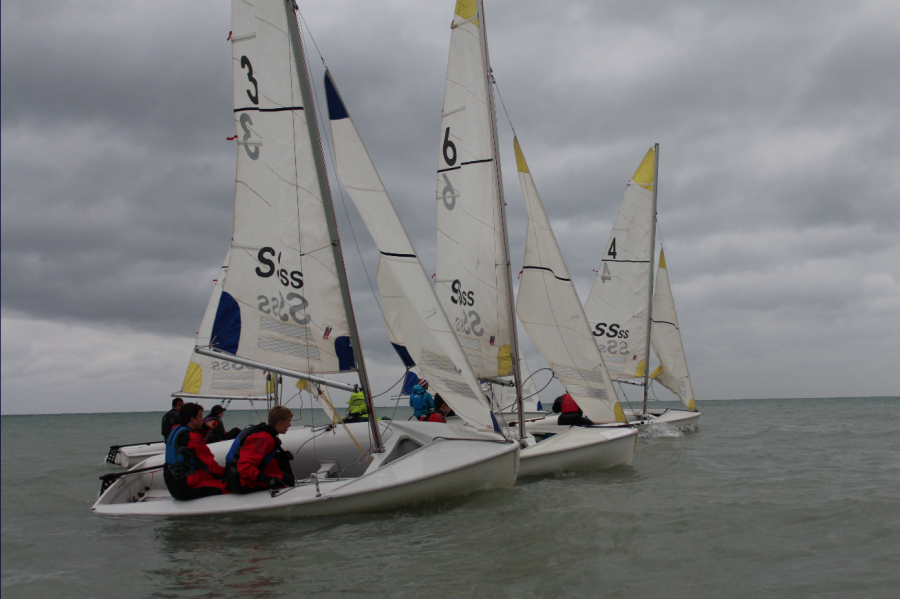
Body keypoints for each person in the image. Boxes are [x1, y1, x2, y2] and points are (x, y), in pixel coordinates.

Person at [163, 402, 229, 500]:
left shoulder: (175, 429)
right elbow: (212, 468)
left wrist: (206, 427)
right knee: (230, 485)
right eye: (200, 416)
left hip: (173, 481)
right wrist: (229, 473)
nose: (203, 419)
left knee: (210, 477)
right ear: (192, 419)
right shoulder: (193, 438)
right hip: (185, 486)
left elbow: (189, 432)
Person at [225, 406, 295, 494]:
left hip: (237, 472)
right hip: (238, 480)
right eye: (288, 421)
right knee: (288, 480)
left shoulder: (263, 432)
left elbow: (257, 455)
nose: (290, 425)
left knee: (282, 461)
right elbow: (245, 468)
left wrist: (280, 454)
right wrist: (269, 480)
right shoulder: (262, 438)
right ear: (280, 422)